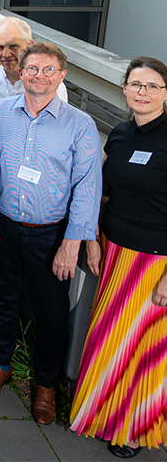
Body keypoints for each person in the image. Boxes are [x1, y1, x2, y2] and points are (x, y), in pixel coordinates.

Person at [0, 42, 102, 425]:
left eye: (49, 70)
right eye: (32, 69)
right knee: (2, 300)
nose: (39, 76)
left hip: (51, 235)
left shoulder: (80, 125)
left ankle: (46, 385)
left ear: (62, 76)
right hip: (3, 225)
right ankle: (0, 365)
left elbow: (87, 186)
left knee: (51, 313)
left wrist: (73, 241)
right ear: (20, 72)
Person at [70, 56, 167, 457]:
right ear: (124, 89)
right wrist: (92, 238)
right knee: (111, 340)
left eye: (152, 86)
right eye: (136, 85)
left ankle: (133, 426)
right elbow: (103, 192)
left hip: (154, 262)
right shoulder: (121, 135)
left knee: (144, 350)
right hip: (113, 251)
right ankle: (104, 413)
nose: (142, 92)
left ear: (165, 93)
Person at [0, 17, 68, 103]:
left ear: (29, 45)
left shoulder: (52, 85)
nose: (6, 54)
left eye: (13, 46)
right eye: (0, 47)